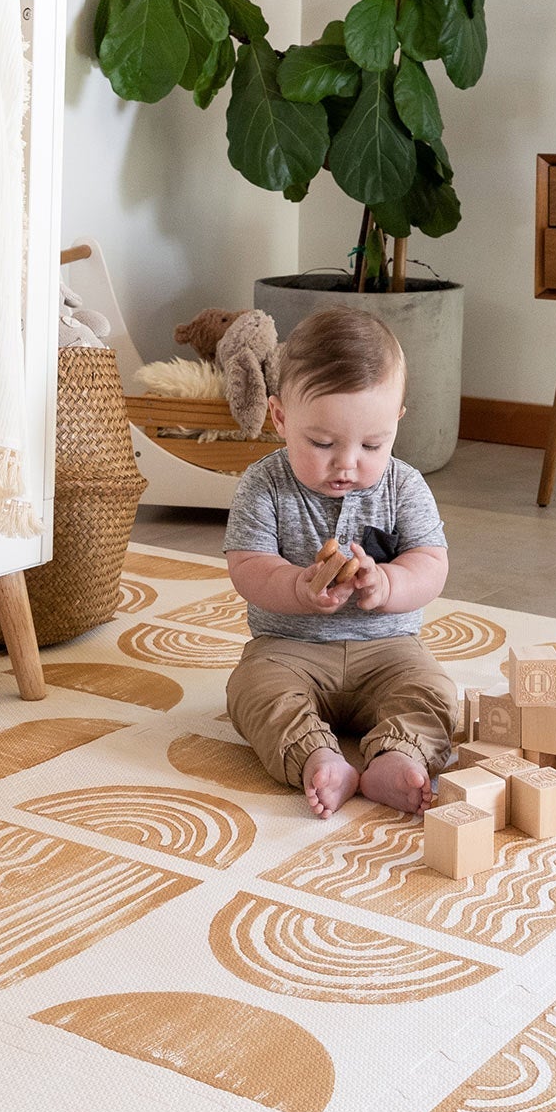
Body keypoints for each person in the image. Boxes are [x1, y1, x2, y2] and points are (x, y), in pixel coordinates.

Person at [223, 306, 459, 818]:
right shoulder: (263, 485)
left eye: (372, 444)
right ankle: (319, 757)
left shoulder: (404, 485)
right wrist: (298, 588)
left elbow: (431, 564)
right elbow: (247, 565)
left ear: (396, 421)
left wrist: (388, 586)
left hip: (390, 650)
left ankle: (398, 755)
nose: (347, 463)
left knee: (436, 692)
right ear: (280, 417)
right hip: (289, 649)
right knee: (250, 690)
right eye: (322, 443)